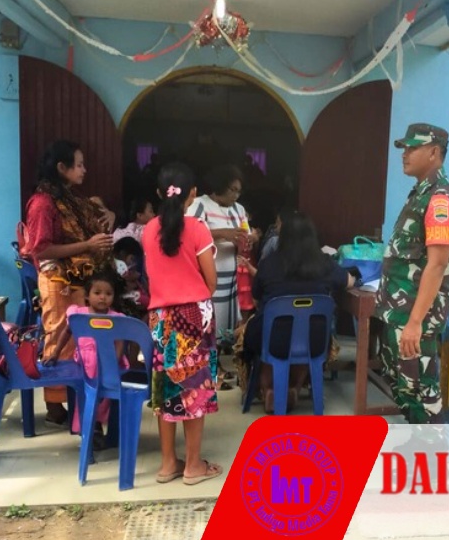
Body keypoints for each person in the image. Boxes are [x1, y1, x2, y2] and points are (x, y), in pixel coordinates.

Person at [22, 139, 115, 427]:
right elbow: (41, 250)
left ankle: (77, 402)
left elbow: (95, 208)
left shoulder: (69, 198)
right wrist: (88, 245)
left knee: (77, 340)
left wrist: (109, 214)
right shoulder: (43, 203)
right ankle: (54, 407)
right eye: (79, 165)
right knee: (59, 339)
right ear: (62, 168)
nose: (84, 170)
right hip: (57, 280)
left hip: (75, 278)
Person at [142, 162, 224, 486]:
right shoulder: (198, 229)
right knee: (195, 389)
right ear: (193, 193)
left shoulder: (148, 230)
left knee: (166, 386)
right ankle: (193, 465)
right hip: (194, 316)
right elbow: (211, 281)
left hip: (160, 318)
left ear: (159, 192)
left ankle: (167, 464)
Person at [375, 123, 449, 428]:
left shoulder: (440, 200)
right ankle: (419, 445)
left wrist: (414, 322)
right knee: (405, 389)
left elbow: (437, 264)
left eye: (413, 148)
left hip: (415, 318)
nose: (405, 154)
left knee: (423, 393)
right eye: (404, 148)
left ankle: (434, 453)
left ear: (434, 152)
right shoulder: (421, 194)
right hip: (399, 313)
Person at [235, 212, 354, 413]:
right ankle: (294, 387)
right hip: (314, 341)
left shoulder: (269, 263)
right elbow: (349, 281)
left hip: (272, 339)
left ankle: (268, 388)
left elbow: (256, 300)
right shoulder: (324, 263)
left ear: (283, 237)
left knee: (262, 334)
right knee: (304, 335)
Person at [186, 165, 262, 339]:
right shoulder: (200, 205)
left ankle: (221, 354)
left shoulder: (239, 209)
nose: (236, 195)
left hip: (230, 281)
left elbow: (244, 235)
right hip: (206, 280)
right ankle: (210, 355)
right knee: (207, 328)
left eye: (239, 191)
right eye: (232, 190)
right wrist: (222, 233)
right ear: (219, 185)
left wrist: (250, 239)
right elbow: (189, 235)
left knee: (226, 330)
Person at [67, 271, 128, 450]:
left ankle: (96, 424)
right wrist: (54, 353)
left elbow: (120, 343)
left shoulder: (116, 318)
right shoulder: (78, 314)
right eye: (97, 293)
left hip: (107, 362)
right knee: (86, 388)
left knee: (104, 389)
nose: (103, 297)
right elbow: (66, 332)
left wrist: (113, 363)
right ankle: (88, 426)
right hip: (84, 360)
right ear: (87, 295)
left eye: (108, 294)